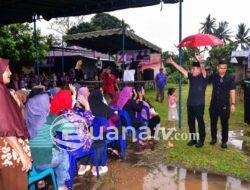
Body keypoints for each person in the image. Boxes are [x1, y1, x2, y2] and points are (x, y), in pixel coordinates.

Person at [0, 57, 32, 190]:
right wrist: (22, 154)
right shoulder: (0, 92)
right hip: (11, 155)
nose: (10, 73)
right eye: (7, 69)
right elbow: (6, 127)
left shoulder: (3, 90)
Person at [167, 56, 207, 148]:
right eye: (192, 69)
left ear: (198, 70)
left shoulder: (203, 77)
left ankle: (201, 140)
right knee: (191, 122)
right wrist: (173, 62)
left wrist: (200, 61)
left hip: (199, 105)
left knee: (200, 122)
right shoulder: (191, 77)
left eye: (193, 69)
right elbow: (181, 69)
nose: (192, 70)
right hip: (190, 104)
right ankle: (193, 139)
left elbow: (203, 69)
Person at [208, 58, 236, 149]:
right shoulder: (214, 76)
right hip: (214, 104)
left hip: (224, 105)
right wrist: (202, 64)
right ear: (218, 67)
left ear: (226, 68)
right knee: (213, 122)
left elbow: (232, 91)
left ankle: (224, 141)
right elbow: (205, 77)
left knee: (224, 123)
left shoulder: (230, 77)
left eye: (224, 68)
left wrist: (233, 103)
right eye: (221, 68)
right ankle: (213, 138)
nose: (223, 70)